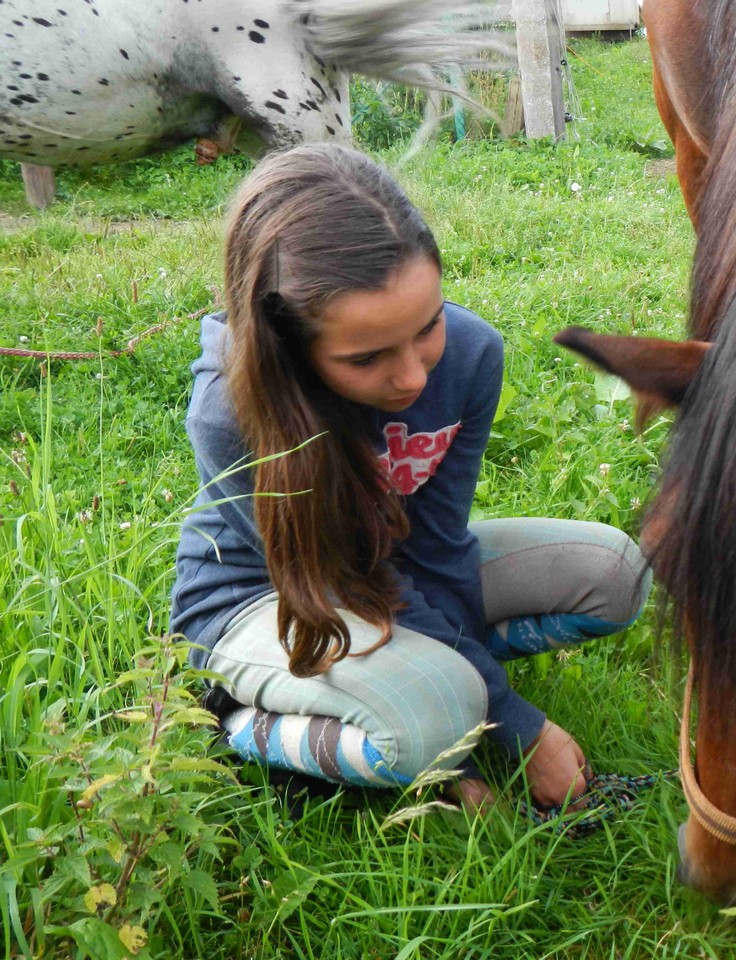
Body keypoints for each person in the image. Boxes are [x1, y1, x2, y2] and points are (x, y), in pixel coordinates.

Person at [170, 143, 651, 811]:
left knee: (614, 575)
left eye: (427, 327)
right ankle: (236, 719)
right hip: (272, 598)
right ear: (290, 343)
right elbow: (342, 577)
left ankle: (427, 689)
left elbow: (439, 543)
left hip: (386, 581)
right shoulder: (230, 410)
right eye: (366, 358)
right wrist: (511, 723)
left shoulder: (473, 354)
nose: (413, 377)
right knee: (431, 724)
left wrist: (481, 697)